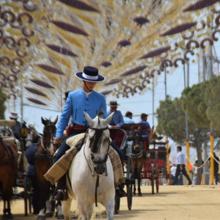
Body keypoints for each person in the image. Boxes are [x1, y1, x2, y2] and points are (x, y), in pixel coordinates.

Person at [51, 66, 125, 200]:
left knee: (118, 154)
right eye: (89, 82)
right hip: (75, 133)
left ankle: (118, 185)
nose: (92, 84)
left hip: (96, 133)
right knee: (58, 157)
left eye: (94, 82)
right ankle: (61, 188)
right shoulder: (73, 96)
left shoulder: (100, 98)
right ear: (83, 81)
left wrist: (105, 131)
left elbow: (103, 118)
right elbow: (64, 117)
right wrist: (58, 134)